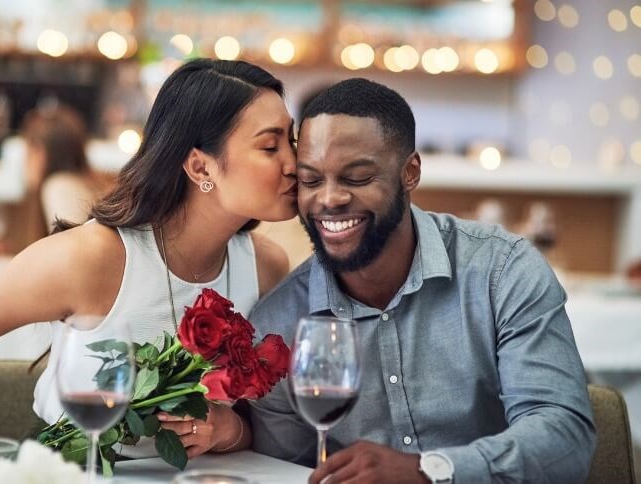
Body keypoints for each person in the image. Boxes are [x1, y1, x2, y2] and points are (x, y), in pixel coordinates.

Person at [0, 58, 298, 474]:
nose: (293, 163)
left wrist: (230, 430)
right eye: (270, 146)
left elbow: (262, 419)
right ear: (200, 166)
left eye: (292, 141)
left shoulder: (266, 266)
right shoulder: (94, 257)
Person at [249, 78, 596, 483]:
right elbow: (283, 473)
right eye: (310, 180)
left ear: (409, 172)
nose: (329, 199)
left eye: (357, 178)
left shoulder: (502, 271)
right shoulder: (278, 327)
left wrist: (430, 473)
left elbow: (565, 438)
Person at [21, 105, 114, 233]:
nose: (24, 162)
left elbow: (74, 249)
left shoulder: (59, 188)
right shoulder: (83, 184)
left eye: (28, 152)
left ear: (40, 152)